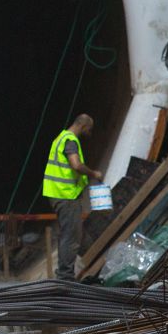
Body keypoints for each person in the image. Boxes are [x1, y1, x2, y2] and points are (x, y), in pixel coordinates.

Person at [41, 114, 103, 282]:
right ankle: (65, 277)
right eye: (89, 130)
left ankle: (66, 274)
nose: (89, 134)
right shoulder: (70, 141)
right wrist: (93, 173)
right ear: (83, 126)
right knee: (71, 236)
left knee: (69, 234)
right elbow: (76, 164)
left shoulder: (60, 138)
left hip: (57, 193)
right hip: (66, 195)